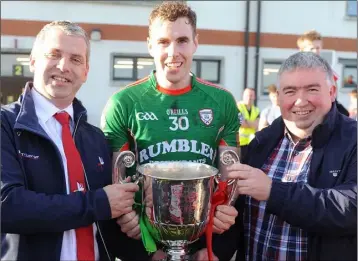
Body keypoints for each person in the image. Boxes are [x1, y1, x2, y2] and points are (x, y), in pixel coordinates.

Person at [101, 1, 240, 260]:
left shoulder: (222, 102)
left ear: (196, 43)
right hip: (143, 241)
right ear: (150, 45)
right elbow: (111, 180)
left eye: (182, 40)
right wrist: (126, 218)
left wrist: (224, 213)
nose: (173, 52)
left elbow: (229, 176)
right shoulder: (123, 103)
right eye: (163, 41)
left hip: (200, 239)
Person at [1, 20, 150, 261]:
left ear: (86, 72)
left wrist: (134, 229)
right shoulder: (5, 125)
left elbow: (106, 224)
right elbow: (7, 205)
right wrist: (98, 203)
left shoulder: (96, 139)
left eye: (75, 59)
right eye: (54, 54)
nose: (64, 66)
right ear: (33, 60)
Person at [212, 52, 357, 261]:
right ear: (278, 97)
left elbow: (350, 207)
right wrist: (216, 249)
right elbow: (237, 212)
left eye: (312, 89)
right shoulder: (262, 142)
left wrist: (273, 191)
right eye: (290, 91)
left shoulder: (352, 139)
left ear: (332, 92)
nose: (300, 101)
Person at [297, 29, 349, 117]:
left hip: (327, 103)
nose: (315, 51)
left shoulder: (324, 66)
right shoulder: (298, 68)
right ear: (302, 50)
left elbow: (334, 84)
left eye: (317, 48)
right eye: (311, 48)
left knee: (344, 116)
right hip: (308, 106)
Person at [236, 88, 260, 159]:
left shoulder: (256, 110)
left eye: (251, 95)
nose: (249, 97)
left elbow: (257, 125)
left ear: (254, 97)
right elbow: (241, 123)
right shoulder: (238, 107)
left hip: (251, 143)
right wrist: (251, 123)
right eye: (247, 95)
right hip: (239, 143)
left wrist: (246, 121)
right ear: (243, 96)